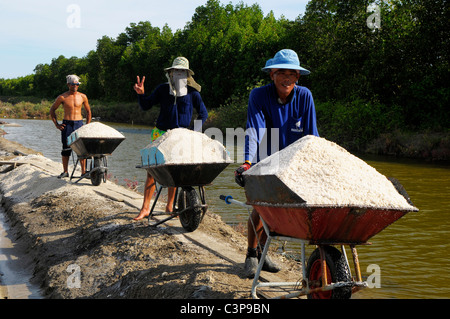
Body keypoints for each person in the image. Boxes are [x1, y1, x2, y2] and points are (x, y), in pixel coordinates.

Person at [234, 49, 319, 278]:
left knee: (279, 213)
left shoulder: (305, 96)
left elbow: (312, 136)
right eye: (281, 72)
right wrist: (247, 163)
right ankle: (251, 254)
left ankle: (263, 251)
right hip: (266, 158)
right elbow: (255, 128)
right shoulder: (259, 96)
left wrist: (318, 165)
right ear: (272, 74)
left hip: (293, 163)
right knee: (261, 207)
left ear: (298, 77)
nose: (286, 78)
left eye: (292, 73)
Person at [133, 57, 208, 221]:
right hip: (160, 134)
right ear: (171, 74)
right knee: (152, 172)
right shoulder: (162, 89)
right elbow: (146, 105)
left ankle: (169, 206)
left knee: (175, 172)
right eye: (175, 72)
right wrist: (141, 94)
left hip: (180, 137)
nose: (178, 75)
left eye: (182, 72)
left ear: (187, 75)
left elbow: (203, 113)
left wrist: (193, 132)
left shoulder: (193, 93)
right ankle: (145, 208)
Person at [50, 74, 92, 179]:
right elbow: (52, 110)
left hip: (79, 123)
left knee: (82, 148)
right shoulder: (62, 97)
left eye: (77, 84)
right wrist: (57, 125)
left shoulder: (83, 96)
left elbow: (88, 111)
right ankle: (65, 171)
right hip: (67, 124)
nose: (75, 86)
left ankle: (83, 172)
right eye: (73, 84)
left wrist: (87, 125)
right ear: (68, 84)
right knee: (66, 148)